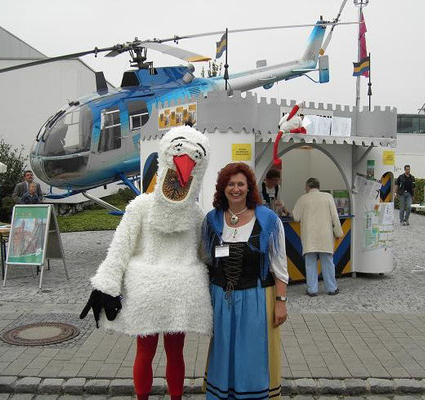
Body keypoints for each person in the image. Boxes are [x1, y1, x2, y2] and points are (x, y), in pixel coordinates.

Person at [81, 126, 212, 400]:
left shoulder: (141, 206)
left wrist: (107, 283)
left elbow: (121, 248)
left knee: (146, 351)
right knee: (173, 352)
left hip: (149, 293)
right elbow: (204, 255)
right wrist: (106, 284)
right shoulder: (193, 213)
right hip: (179, 294)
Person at [202, 162, 288, 400]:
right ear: (223, 188)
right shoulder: (212, 220)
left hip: (255, 298)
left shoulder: (268, 220)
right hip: (221, 300)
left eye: (241, 184)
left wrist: (280, 301)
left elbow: (279, 266)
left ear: (250, 188)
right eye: (231, 184)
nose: (236, 189)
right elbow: (205, 262)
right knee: (223, 353)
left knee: (251, 355)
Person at [292, 177, 343, 296]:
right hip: (325, 235)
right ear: (318, 186)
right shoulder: (328, 197)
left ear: (308, 186)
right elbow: (335, 216)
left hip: (309, 237)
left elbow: (296, 217)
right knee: (328, 262)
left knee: (310, 263)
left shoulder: (302, 199)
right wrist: (338, 233)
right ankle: (332, 288)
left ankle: (312, 289)